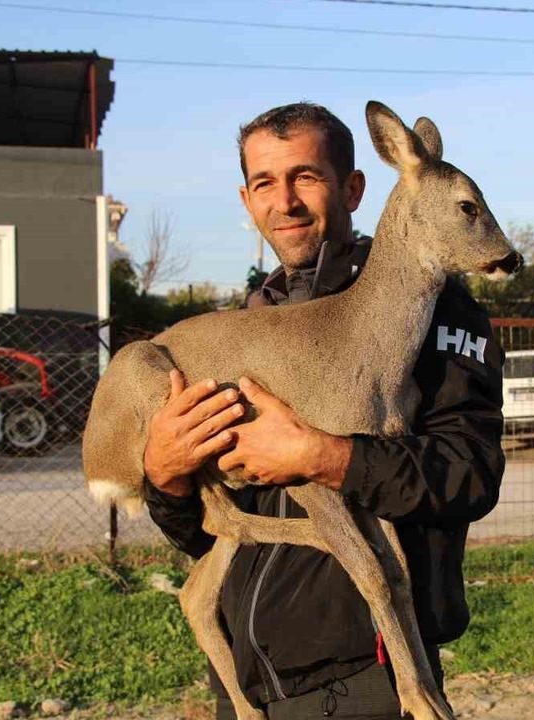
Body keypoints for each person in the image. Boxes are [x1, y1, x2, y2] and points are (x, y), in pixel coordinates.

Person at [141, 102, 504, 719]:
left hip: (365, 678)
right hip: (251, 678)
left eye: (305, 176)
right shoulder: (247, 322)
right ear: (246, 199)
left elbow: (468, 474)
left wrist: (324, 456)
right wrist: (166, 474)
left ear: (356, 187)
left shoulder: (433, 314)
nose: (285, 201)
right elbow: (204, 532)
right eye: (264, 183)